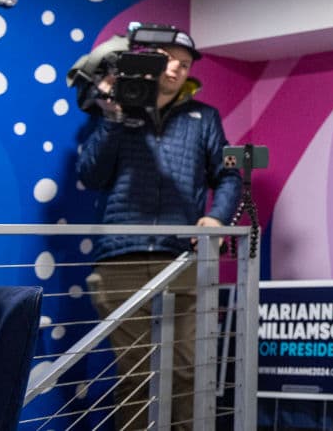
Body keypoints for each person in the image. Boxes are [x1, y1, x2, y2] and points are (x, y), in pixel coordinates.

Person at [77, 26, 240, 430]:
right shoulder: (117, 109)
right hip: (121, 259)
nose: (176, 69)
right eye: (167, 60)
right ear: (148, 61)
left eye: (184, 64)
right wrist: (113, 116)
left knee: (187, 368)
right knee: (136, 374)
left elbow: (229, 175)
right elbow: (91, 175)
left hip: (181, 257)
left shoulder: (204, 117)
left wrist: (217, 218)